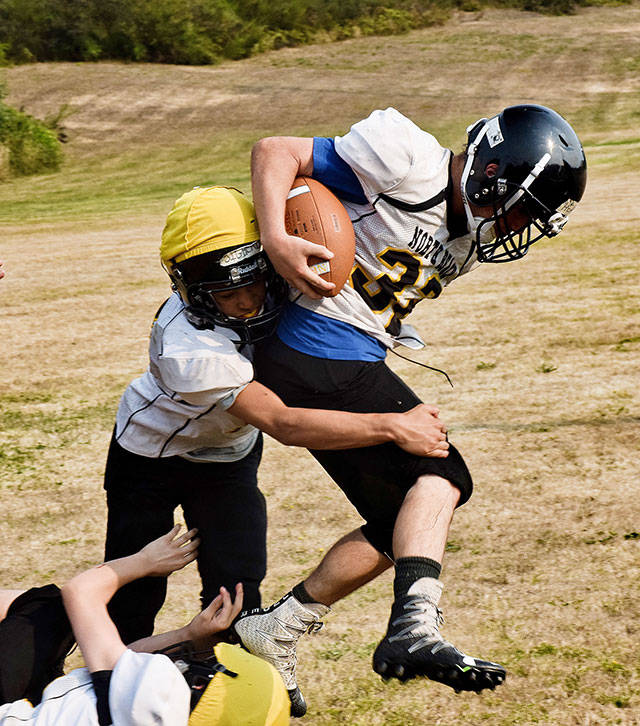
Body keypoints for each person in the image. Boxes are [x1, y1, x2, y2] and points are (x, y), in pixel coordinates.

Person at [233, 104, 587, 715]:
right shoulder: (404, 157)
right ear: (492, 173)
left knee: (408, 522)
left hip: (345, 354)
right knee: (444, 478)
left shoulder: (469, 237)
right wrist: (276, 235)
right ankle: (415, 627)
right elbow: (274, 149)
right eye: (525, 207)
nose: (521, 225)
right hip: (312, 344)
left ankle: (277, 627)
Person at [105, 185, 450, 646]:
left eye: (255, 282)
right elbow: (284, 422)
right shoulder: (185, 348)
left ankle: (226, 683)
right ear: (195, 292)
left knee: (239, 585)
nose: (249, 301)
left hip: (229, 455)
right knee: (135, 592)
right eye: (229, 294)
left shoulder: (278, 276)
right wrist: (390, 425)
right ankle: (105, 689)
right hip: (151, 455)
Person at [0, 525, 290, 725]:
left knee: (48, 608)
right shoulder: (161, 713)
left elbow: (80, 592)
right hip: (50, 705)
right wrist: (188, 635)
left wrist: (145, 561)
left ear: (199, 685)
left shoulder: (156, 693)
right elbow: (122, 663)